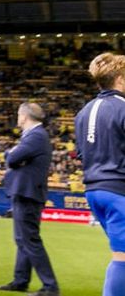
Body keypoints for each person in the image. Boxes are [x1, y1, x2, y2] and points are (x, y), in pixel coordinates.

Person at [75, 53, 125, 296]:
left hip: (95, 190)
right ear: (120, 79)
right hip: (119, 192)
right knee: (123, 258)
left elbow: (82, 154)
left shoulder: (84, 112)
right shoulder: (122, 108)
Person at [0, 103, 60, 296]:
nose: (17, 118)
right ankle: (20, 280)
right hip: (25, 193)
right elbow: (15, 158)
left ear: (24, 116)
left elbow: (11, 158)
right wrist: (15, 155)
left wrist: (12, 154)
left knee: (30, 240)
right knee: (22, 240)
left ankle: (50, 287)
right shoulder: (34, 136)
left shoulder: (35, 136)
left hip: (28, 194)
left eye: (18, 114)